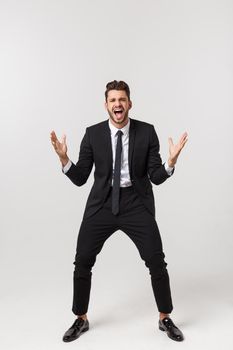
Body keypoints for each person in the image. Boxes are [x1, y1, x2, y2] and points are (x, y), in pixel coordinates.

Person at [50, 80, 188, 343]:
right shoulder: (93, 134)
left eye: (122, 100)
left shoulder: (147, 133)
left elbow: (156, 177)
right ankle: (81, 318)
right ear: (106, 105)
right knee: (82, 261)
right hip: (101, 203)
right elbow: (80, 178)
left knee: (156, 260)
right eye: (113, 100)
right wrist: (64, 159)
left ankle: (165, 317)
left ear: (129, 104)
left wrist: (171, 162)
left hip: (136, 202)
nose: (118, 104)